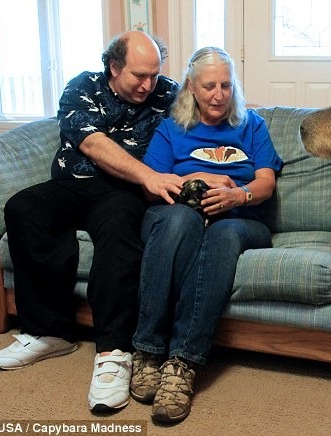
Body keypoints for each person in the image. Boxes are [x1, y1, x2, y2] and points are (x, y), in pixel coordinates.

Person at [0, 31, 184, 413]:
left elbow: (212, 110)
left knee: (118, 230)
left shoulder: (168, 93)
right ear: (113, 67)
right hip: (73, 184)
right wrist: (147, 174)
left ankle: (114, 351)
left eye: (154, 75)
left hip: (123, 192)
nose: (149, 85)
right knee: (23, 208)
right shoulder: (83, 86)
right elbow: (92, 142)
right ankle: (50, 331)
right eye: (138, 76)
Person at [130, 46, 283, 424]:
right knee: (180, 221)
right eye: (210, 85)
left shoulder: (252, 125)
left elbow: (265, 182)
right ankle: (147, 351)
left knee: (224, 236)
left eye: (226, 86)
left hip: (240, 218)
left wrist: (238, 195)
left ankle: (182, 363)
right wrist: (192, 182)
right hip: (175, 212)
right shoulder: (171, 129)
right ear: (192, 88)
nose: (219, 95)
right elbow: (152, 187)